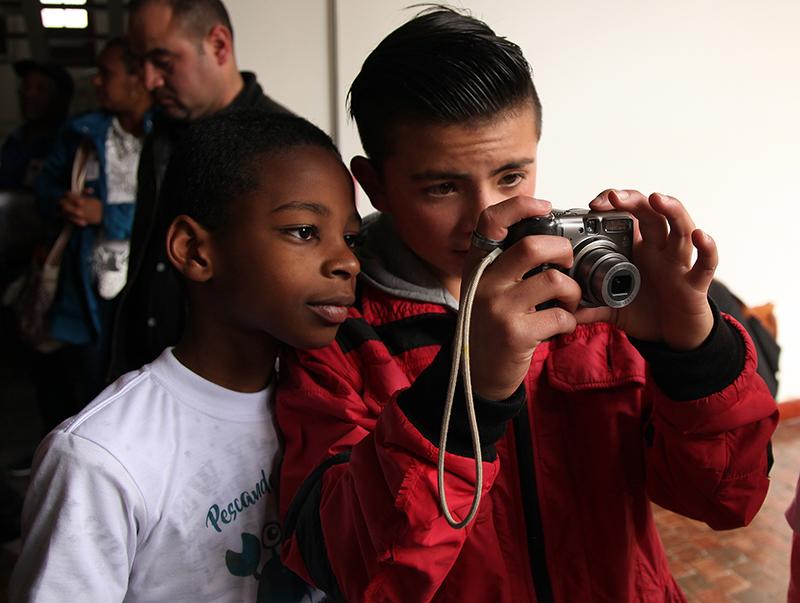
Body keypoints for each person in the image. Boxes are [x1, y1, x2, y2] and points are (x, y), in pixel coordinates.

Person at [276, 8, 779, 602]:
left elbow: (724, 499)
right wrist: (470, 387)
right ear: (374, 184)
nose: (487, 216)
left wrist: (693, 355)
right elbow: (348, 566)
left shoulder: (592, 296)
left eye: (512, 175)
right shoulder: (338, 334)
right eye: (442, 187)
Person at [10, 111, 360, 602]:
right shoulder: (101, 458)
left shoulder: (335, 405)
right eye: (303, 231)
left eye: (351, 237)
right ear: (195, 251)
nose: (347, 261)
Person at [108, 0, 291, 382]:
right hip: (146, 370)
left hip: (236, 388)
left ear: (219, 45)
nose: (149, 80)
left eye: (162, 61)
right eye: (139, 62)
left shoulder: (288, 149)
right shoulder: (161, 133)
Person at [32, 36, 152, 416]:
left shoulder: (168, 136)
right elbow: (44, 188)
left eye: (106, 73)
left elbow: (178, 205)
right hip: (88, 282)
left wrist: (109, 215)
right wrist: (62, 203)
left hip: (147, 280)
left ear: (139, 78)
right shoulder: (82, 133)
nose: (96, 82)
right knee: (89, 383)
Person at [0, 60, 73, 191]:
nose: (29, 95)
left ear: (61, 98)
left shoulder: (69, 143)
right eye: (26, 87)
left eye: (41, 89)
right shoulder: (14, 140)